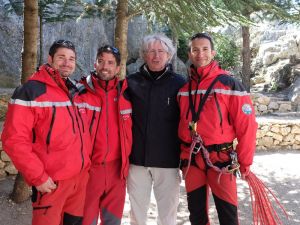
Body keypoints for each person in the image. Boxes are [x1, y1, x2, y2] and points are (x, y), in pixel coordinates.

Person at [1, 40, 92, 225]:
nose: (67, 63)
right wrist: (38, 177)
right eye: (61, 57)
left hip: (79, 182)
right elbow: (14, 140)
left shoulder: (75, 90)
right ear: (50, 59)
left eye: (71, 59)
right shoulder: (30, 91)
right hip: (51, 183)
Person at [177, 32, 258, 225]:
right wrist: (182, 157)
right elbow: (180, 126)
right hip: (192, 161)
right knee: (196, 216)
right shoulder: (183, 90)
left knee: (228, 217)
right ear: (189, 54)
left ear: (213, 53)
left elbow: (247, 127)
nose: (200, 54)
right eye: (195, 50)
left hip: (222, 161)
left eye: (205, 49)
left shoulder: (230, 85)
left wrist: (245, 162)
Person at [126, 33, 186, 225]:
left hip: (168, 161)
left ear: (169, 55)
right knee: (137, 213)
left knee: (168, 213)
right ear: (144, 55)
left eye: (161, 51)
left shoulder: (179, 84)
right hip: (137, 160)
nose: (156, 56)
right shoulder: (130, 82)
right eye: (151, 51)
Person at [80, 45, 132, 225]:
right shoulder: (79, 92)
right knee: (86, 220)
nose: (105, 66)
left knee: (112, 221)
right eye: (101, 61)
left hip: (117, 171)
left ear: (118, 68)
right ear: (95, 63)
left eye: (110, 62)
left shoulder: (127, 93)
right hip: (89, 170)